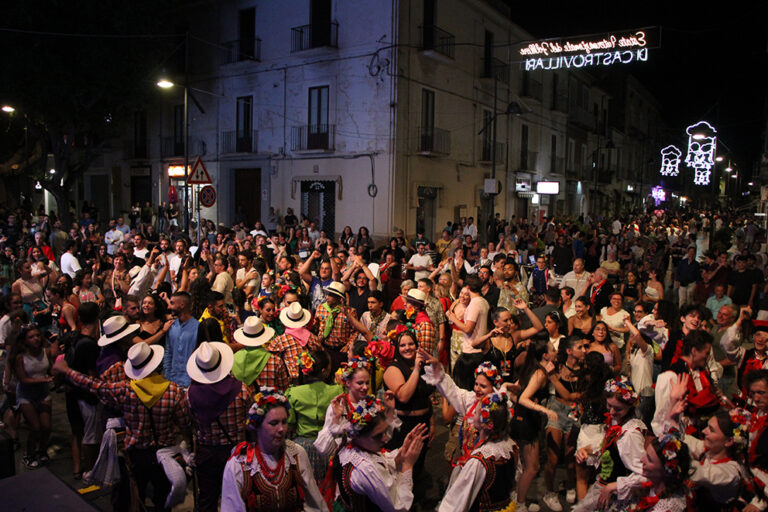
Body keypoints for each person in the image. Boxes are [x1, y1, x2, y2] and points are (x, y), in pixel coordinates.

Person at [53, 342, 192, 512]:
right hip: (164, 454)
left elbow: (94, 385)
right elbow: (185, 424)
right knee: (162, 498)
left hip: (136, 453)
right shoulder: (174, 391)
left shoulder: (125, 391)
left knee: (135, 496)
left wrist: (68, 371)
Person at [221, 387, 329, 512]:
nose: (281, 429)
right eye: (274, 423)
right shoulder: (239, 464)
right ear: (257, 426)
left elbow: (315, 504)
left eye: (284, 422)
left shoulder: (296, 454)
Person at [185, 341, 251, 512]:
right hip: (236, 452)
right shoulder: (241, 389)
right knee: (239, 498)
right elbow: (250, 419)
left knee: (207, 498)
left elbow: (190, 421)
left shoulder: (190, 394)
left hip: (206, 451)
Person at [335, 394, 426, 512]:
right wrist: (408, 465)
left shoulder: (352, 447)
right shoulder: (366, 468)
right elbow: (398, 507)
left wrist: (402, 451)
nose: (384, 439)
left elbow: (384, 462)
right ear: (359, 436)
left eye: (385, 432)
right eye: (377, 436)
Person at [573, 377, 647, 512]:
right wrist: (588, 451)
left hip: (618, 499)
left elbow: (643, 474)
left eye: (618, 408)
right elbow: (612, 451)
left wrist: (615, 486)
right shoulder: (617, 422)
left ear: (630, 407)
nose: (612, 412)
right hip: (605, 489)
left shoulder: (630, 434)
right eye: (609, 406)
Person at [436, 390, 517, 512]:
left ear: (484, 423)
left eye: (476, 413)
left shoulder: (480, 460)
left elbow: (457, 502)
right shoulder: (511, 447)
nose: (473, 415)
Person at [542, 335, 588, 510]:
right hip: (556, 411)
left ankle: (570, 485)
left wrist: (554, 379)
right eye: (580, 347)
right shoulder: (558, 366)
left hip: (574, 413)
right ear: (569, 351)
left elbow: (574, 396)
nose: (584, 350)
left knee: (571, 456)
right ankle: (549, 492)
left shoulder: (584, 370)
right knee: (552, 457)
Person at [513, 338, 559, 511]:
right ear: (546, 355)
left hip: (523, 419)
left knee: (525, 465)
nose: (556, 352)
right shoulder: (538, 373)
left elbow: (518, 388)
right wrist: (545, 410)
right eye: (553, 350)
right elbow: (524, 398)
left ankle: (518, 497)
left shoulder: (532, 368)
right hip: (526, 421)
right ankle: (520, 503)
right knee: (533, 467)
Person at [383, 330, 434, 475]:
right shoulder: (393, 368)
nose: (407, 348)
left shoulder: (422, 365)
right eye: (402, 345)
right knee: (403, 470)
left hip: (423, 422)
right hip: (404, 426)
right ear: (397, 348)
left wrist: (432, 423)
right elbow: (404, 396)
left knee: (418, 467)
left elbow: (426, 396)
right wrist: (417, 369)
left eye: (411, 344)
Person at [285, 349, 342, 481]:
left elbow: (290, 423)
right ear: (324, 371)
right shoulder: (338, 390)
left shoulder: (293, 393)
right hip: (329, 446)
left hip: (301, 446)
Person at [11, 323, 56, 468]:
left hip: (42, 392)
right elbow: (23, 379)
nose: (35, 339)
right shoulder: (20, 357)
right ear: (25, 340)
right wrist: (44, 379)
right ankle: (29, 454)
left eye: (37, 335)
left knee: (47, 426)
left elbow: (50, 371)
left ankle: (42, 451)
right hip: (26, 394)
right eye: (31, 337)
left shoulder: (46, 352)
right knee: (35, 427)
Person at [164, 291, 200, 387]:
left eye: (172, 303)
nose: (169, 307)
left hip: (190, 382)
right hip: (172, 380)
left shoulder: (198, 327)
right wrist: (167, 377)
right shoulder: (171, 326)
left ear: (182, 305)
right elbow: (168, 353)